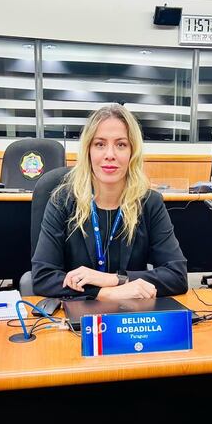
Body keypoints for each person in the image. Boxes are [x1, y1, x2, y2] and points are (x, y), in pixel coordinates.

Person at [31, 103, 188, 301]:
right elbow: (43, 277)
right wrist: (106, 293)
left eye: (121, 145)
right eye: (100, 144)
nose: (110, 155)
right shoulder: (62, 200)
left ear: (132, 152)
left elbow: (177, 275)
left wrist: (114, 279)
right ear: (88, 150)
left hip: (131, 315)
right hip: (76, 315)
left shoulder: (149, 202)